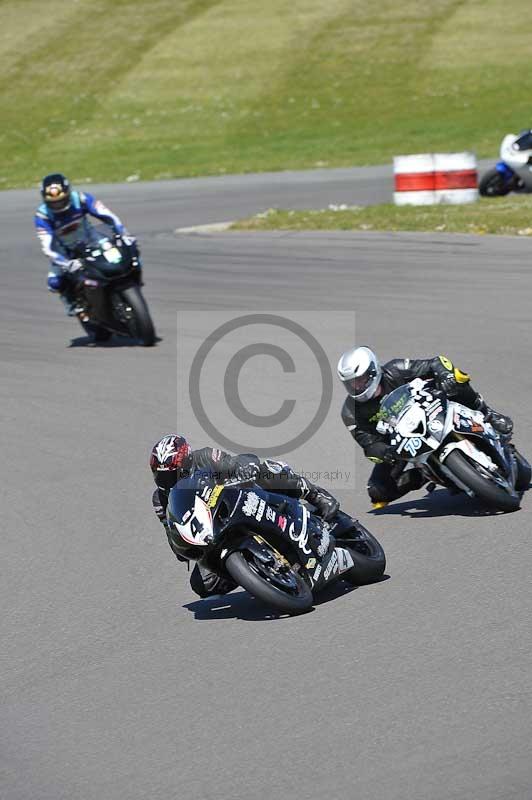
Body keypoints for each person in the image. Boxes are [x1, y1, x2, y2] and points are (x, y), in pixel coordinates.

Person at [150, 434, 340, 598]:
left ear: (187, 463)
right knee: (204, 583)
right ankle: (258, 573)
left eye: (172, 474)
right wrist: (182, 545)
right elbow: (173, 536)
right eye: (161, 476)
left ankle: (315, 494)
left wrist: (245, 467)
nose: (167, 481)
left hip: (241, 502)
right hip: (212, 533)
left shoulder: (205, 457)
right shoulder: (160, 501)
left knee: (266, 472)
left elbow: (233, 463)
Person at [337, 346, 514, 506]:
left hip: (430, 407)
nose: (356, 387)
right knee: (377, 491)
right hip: (400, 442)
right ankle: (422, 475)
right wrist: (385, 452)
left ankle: (488, 414)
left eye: (360, 380)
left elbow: (436, 363)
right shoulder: (350, 412)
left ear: (374, 371)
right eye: (351, 383)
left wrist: (445, 375)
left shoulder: (396, 369)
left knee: (456, 380)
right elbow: (368, 444)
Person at [34, 173, 136, 315]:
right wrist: (66, 263)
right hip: (64, 250)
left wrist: (124, 234)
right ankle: (72, 302)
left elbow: (108, 215)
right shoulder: (42, 216)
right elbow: (48, 247)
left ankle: (134, 279)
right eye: (53, 202)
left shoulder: (82, 199)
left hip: (91, 239)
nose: (58, 205)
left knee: (125, 252)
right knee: (54, 283)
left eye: (61, 201)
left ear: (68, 193)